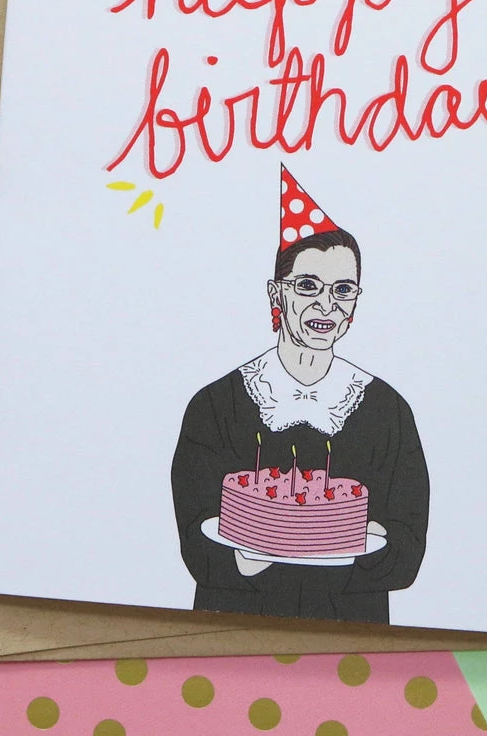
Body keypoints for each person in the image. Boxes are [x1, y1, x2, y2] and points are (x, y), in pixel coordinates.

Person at [170, 166, 429, 623]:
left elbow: (406, 552)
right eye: (307, 286)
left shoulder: (387, 410)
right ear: (277, 294)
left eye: (343, 290)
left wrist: (324, 550)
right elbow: (196, 542)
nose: (326, 305)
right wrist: (246, 560)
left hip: (353, 630)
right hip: (235, 624)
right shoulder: (215, 406)